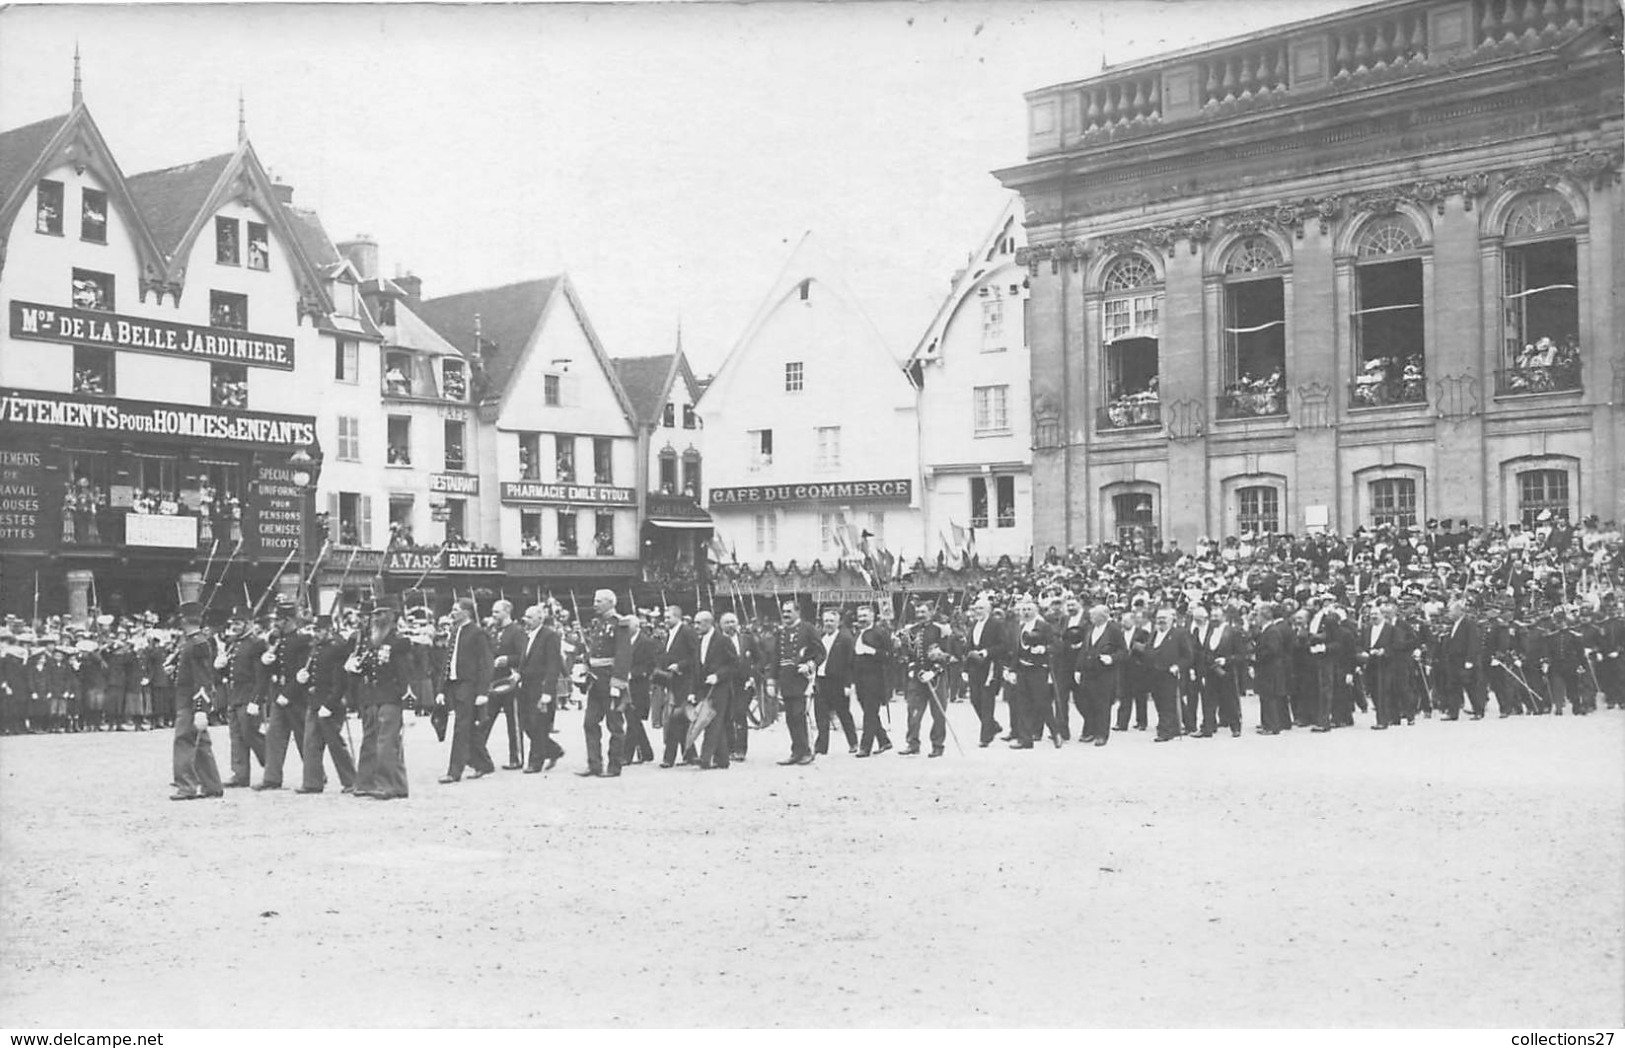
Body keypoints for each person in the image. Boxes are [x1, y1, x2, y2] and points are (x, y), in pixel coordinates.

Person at [349, 599, 413, 799]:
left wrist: (407, 701)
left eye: (380, 614)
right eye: (374, 614)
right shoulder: (371, 641)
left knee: (386, 743)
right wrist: (354, 666)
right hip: (371, 696)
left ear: (391, 616)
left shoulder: (399, 642)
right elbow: (368, 666)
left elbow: (405, 673)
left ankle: (386, 785)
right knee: (370, 740)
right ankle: (367, 782)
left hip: (391, 697)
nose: (375, 618)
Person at [169, 601, 223, 801]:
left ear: (184, 621)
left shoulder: (197, 644)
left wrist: (200, 707)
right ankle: (212, 785)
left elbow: (202, 678)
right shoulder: (194, 642)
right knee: (201, 744)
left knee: (184, 741)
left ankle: (187, 786)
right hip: (189, 698)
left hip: (190, 701)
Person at [297, 613, 356, 795]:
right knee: (310, 744)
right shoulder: (315, 649)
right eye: (314, 629)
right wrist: (304, 679)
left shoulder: (336, 649)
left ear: (329, 630)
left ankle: (352, 781)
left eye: (319, 630)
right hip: (314, 702)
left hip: (331, 705)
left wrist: (330, 705)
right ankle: (312, 782)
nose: (316, 633)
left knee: (335, 744)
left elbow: (340, 682)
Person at [254, 599, 310, 791]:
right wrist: (266, 661)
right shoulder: (277, 641)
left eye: (278, 620)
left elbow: (305, 671)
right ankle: (272, 778)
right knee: (274, 737)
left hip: (297, 697)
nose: (275, 624)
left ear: (288, 620)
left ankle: (314, 774)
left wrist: (289, 693)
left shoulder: (303, 641)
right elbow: (272, 669)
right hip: (279, 695)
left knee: (304, 738)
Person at [576, 589, 633, 778]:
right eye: (595, 600)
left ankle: (614, 766)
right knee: (590, 723)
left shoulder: (620, 623)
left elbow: (624, 655)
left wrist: (618, 683)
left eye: (599, 601)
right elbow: (595, 650)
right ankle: (594, 764)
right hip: (596, 680)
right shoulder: (598, 624)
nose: (595, 604)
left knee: (615, 725)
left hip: (610, 679)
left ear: (610, 602)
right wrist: (586, 662)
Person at [438, 597, 494, 783]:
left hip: (468, 686)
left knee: (461, 728)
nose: (452, 613)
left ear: (467, 612)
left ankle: (454, 771)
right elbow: (447, 662)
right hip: (454, 685)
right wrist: (441, 689)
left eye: (456, 609)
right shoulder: (455, 632)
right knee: (468, 728)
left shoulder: (477, 633)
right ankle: (483, 763)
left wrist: (482, 692)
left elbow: (485, 664)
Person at [771, 599, 824, 766]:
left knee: (799, 714)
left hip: (802, 679)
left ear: (797, 612)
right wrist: (771, 681)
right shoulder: (781, 632)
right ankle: (796, 751)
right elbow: (775, 658)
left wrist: (809, 665)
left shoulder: (808, 629)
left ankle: (808, 750)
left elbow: (821, 652)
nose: (785, 615)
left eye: (789, 611)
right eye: (784, 612)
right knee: (790, 718)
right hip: (786, 679)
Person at [515, 603, 565, 773]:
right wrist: (518, 674)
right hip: (526, 686)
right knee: (527, 724)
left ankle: (535, 762)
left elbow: (553, 664)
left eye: (529, 617)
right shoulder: (527, 636)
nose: (525, 620)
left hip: (540, 686)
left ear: (540, 618)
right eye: (525, 617)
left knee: (538, 724)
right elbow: (526, 659)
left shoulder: (549, 636)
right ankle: (553, 750)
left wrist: (547, 692)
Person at [220, 614, 268, 787]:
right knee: (236, 735)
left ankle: (271, 763)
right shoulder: (232, 643)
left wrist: (256, 700)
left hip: (248, 694)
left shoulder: (256, 644)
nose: (234, 626)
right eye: (233, 623)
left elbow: (261, 676)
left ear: (248, 623)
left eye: (238, 623)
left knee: (250, 733)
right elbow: (229, 673)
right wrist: (221, 668)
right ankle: (240, 774)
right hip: (234, 694)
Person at [1007, 598, 1062, 749]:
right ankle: (1026, 739)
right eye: (1023, 610)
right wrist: (1012, 670)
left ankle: (1056, 732)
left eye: (1029, 609)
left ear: (1036, 611)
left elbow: (1057, 646)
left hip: (1038, 669)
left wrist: (1044, 649)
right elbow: (1016, 651)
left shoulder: (1044, 626)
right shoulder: (1020, 627)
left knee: (1042, 703)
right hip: (1022, 670)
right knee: (1022, 704)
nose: (1026, 612)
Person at [898, 599, 950, 757]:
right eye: (918, 612)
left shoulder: (941, 630)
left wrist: (934, 671)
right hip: (917, 678)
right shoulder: (912, 631)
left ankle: (937, 745)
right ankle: (913, 743)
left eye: (923, 612)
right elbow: (909, 653)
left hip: (937, 677)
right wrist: (912, 669)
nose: (920, 615)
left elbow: (947, 654)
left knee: (938, 713)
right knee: (913, 711)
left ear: (931, 613)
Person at [693, 610, 740, 769]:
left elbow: (734, 664)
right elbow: (697, 668)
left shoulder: (723, 641)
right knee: (712, 721)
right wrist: (694, 692)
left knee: (713, 721)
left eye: (699, 623)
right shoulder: (698, 641)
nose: (696, 626)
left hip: (720, 688)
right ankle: (723, 759)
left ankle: (705, 758)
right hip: (704, 688)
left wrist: (718, 676)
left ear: (708, 623)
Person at [481, 599, 525, 770]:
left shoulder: (516, 631)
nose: (493, 615)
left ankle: (516, 758)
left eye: (496, 612)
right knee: (485, 719)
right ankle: (479, 756)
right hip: (493, 682)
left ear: (507, 612)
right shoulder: (492, 631)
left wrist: (508, 659)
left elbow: (523, 655)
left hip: (510, 682)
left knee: (513, 723)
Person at [1144, 606, 1197, 740]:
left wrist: (1177, 666)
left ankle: (1165, 731)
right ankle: (1177, 726)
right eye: (1159, 618)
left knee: (1168, 701)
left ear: (1171, 619)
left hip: (1170, 673)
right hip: (1154, 673)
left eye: (1164, 618)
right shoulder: (1154, 633)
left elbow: (1188, 656)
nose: (1161, 621)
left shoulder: (1180, 633)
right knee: (1159, 701)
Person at [1075, 604, 1124, 746]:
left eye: (1094, 615)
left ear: (1103, 616)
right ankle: (1090, 730)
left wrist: (1112, 658)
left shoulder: (1113, 630)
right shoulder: (1090, 629)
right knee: (1086, 702)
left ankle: (1101, 734)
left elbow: (1124, 651)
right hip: (1088, 671)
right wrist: (1078, 669)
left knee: (1102, 704)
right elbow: (1084, 650)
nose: (1091, 617)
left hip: (1105, 673)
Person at [656, 604, 698, 768]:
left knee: (675, 719)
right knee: (680, 719)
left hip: (685, 680)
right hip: (672, 680)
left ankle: (669, 757)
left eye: (668, 617)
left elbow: (695, 656)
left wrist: (680, 666)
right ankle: (690, 754)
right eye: (665, 617)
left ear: (678, 617)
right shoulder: (668, 634)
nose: (665, 621)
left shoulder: (687, 632)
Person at [963, 598, 1008, 747]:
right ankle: (992, 725)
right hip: (974, 667)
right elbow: (968, 647)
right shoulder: (974, 625)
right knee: (975, 700)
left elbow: (1003, 645)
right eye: (976, 608)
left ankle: (985, 737)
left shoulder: (997, 625)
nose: (978, 611)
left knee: (987, 701)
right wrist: (965, 668)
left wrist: (987, 652)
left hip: (990, 666)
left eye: (981, 608)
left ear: (988, 610)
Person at [850, 604, 894, 757]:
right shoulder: (856, 634)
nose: (861, 619)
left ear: (872, 616)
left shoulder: (880, 633)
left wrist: (872, 651)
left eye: (865, 616)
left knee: (869, 713)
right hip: (859, 679)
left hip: (874, 678)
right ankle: (884, 740)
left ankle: (865, 747)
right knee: (870, 712)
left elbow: (889, 655)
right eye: (860, 616)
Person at [812, 608, 857, 756]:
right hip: (821, 680)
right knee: (821, 715)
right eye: (826, 621)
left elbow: (851, 663)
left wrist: (847, 684)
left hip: (838, 681)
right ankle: (821, 746)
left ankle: (853, 742)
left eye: (831, 621)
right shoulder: (820, 637)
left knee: (843, 714)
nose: (828, 624)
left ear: (838, 622)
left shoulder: (845, 638)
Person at [1439, 599, 1487, 720]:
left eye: (1451, 611)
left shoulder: (1469, 623)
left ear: (1459, 611)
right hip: (1453, 661)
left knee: (1471, 686)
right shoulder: (1453, 624)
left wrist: (1470, 660)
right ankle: (1453, 712)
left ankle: (1478, 710)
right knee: (1453, 686)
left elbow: (1473, 642)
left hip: (1464, 661)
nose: (1449, 614)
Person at [624, 612, 659, 765]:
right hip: (625, 685)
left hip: (639, 685)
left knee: (633, 720)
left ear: (636, 626)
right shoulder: (623, 641)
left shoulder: (646, 642)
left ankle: (626, 755)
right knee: (633, 719)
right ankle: (646, 752)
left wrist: (633, 673)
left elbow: (650, 665)